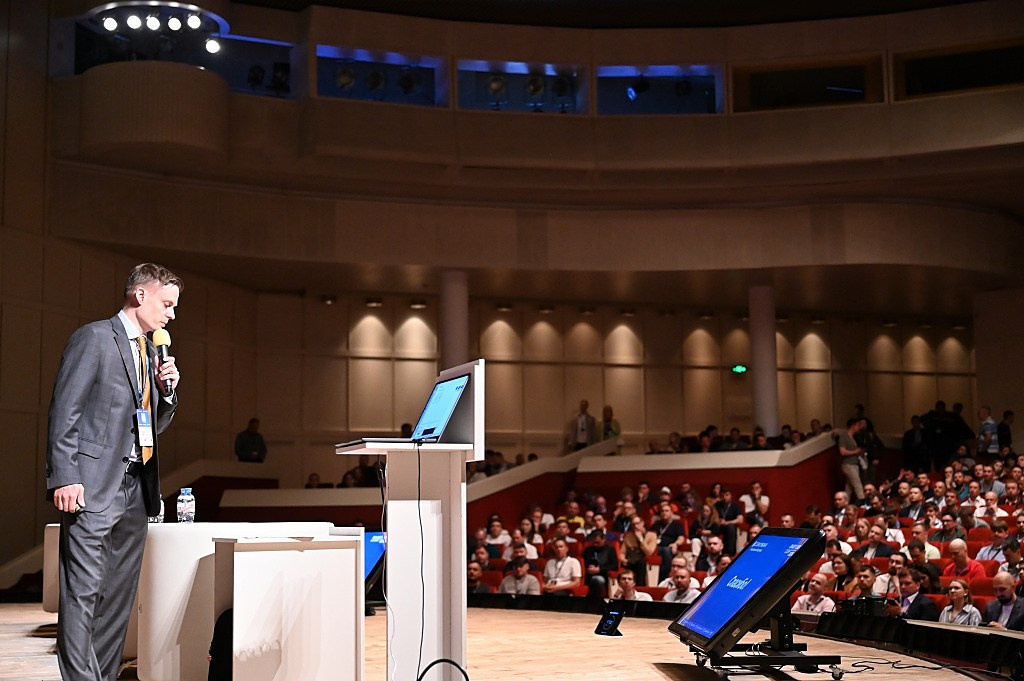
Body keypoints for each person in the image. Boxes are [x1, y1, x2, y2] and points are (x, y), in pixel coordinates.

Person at [46, 263, 182, 681]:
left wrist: (167, 392)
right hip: (90, 486)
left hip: (135, 490)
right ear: (140, 296)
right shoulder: (94, 338)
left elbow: (151, 426)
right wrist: (64, 475)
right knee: (82, 594)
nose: (172, 315)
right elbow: (64, 411)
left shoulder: (150, 350)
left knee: (118, 599)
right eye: (167, 304)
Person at [619, 514, 657, 586]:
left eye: (637, 523)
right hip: (630, 560)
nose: (636, 526)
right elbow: (622, 552)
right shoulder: (628, 536)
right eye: (633, 524)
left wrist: (641, 540)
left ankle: (640, 587)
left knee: (640, 563)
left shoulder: (651, 535)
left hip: (643, 561)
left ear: (642, 523)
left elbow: (649, 552)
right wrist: (623, 559)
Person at [581, 529, 618, 598]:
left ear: (603, 539)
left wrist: (599, 569)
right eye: (594, 542)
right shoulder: (588, 550)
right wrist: (588, 568)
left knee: (598, 580)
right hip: (588, 576)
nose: (595, 544)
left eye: (598, 542)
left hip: (604, 575)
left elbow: (614, 566)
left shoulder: (610, 550)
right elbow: (582, 563)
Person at [837, 418, 865, 501]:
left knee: (849, 488)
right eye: (857, 425)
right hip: (848, 464)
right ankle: (863, 504)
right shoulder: (844, 437)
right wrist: (855, 451)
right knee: (858, 485)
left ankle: (844, 504)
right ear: (853, 425)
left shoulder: (853, 437)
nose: (858, 428)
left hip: (854, 463)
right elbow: (842, 452)